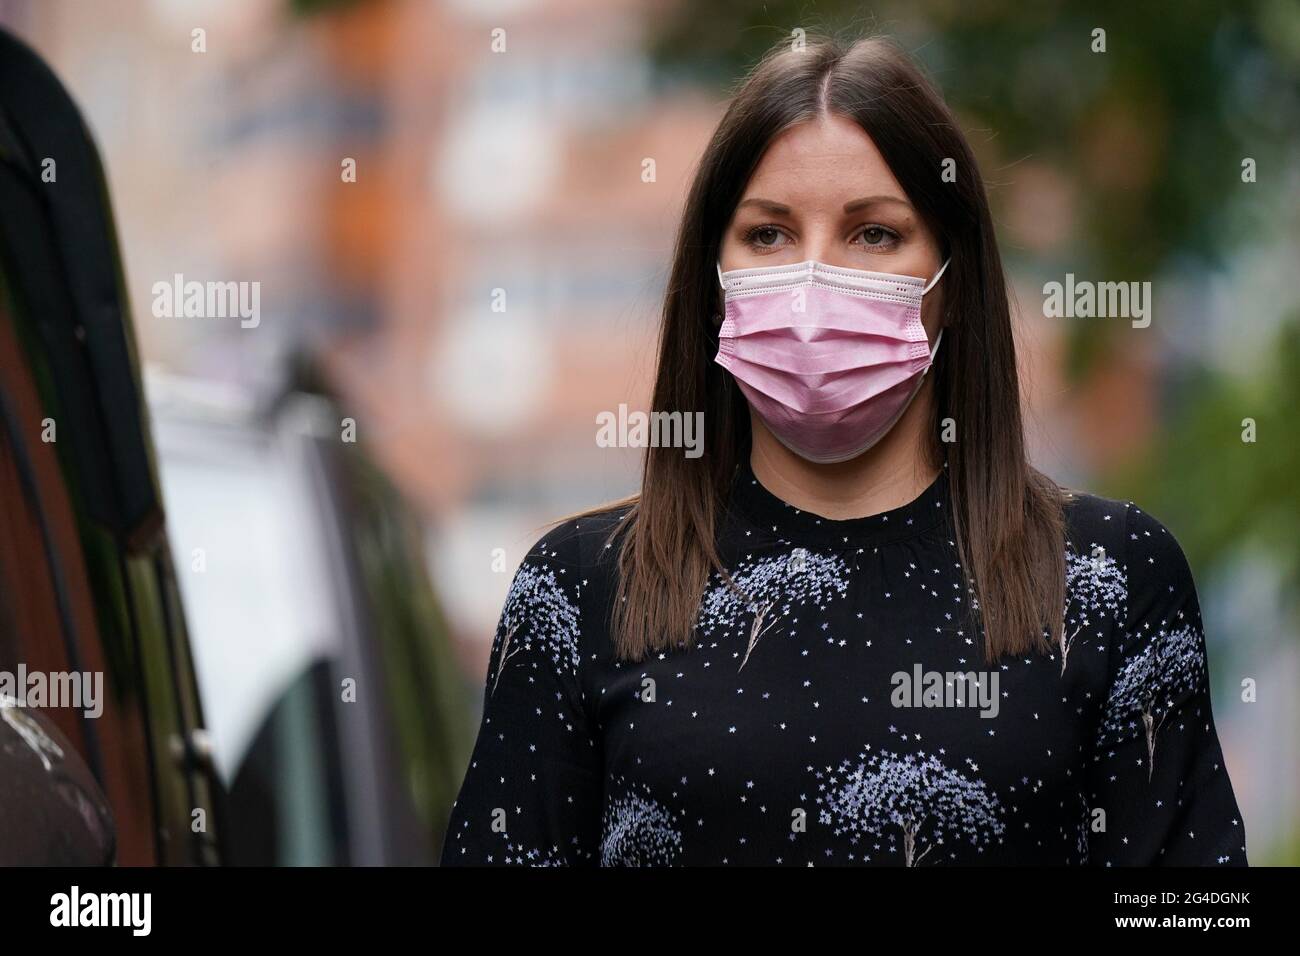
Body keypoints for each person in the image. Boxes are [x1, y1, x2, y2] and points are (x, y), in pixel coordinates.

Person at [440, 35, 1247, 867]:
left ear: (953, 280)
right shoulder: (578, 591)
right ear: (711, 275)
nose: (813, 284)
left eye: (873, 235)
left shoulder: (1109, 580)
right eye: (768, 235)